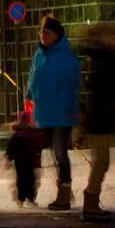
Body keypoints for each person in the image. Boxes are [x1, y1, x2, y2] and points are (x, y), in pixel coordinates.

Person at [28, 15, 82, 210]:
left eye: (47, 32)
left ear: (56, 35)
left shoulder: (66, 57)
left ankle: (65, 194)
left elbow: (72, 85)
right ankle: (64, 188)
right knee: (53, 153)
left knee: (60, 153)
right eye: (41, 31)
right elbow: (33, 77)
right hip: (45, 113)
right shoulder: (40, 54)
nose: (43, 35)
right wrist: (29, 95)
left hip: (61, 113)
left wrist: (70, 109)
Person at [78, 24, 115, 221]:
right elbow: (105, 88)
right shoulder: (102, 59)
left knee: (101, 161)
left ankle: (91, 201)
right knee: (101, 162)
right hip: (100, 118)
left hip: (102, 116)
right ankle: (90, 202)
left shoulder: (102, 57)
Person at [5, 102, 42, 205]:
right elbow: (12, 147)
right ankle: (25, 198)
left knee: (27, 180)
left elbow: (11, 148)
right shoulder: (23, 134)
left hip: (26, 162)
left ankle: (25, 198)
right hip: (25, 161)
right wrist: (9, 157)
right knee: (27, 180)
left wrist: (9, 157)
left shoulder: (24, 134)